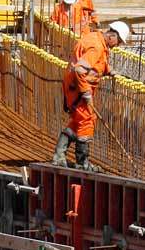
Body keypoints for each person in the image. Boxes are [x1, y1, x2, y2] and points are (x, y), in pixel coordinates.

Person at [52, 21, 130, 171]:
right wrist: (86, 92)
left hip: (75, 86)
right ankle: (82, 163)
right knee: (87, 120)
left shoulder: (97, 39)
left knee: (77, 121)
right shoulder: (97, 47)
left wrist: (109, 70)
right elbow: (80, 70)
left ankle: (59, 156)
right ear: (113, 36)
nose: (117, 45)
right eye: (118, 42)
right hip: (78, 89)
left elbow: (96, 63)